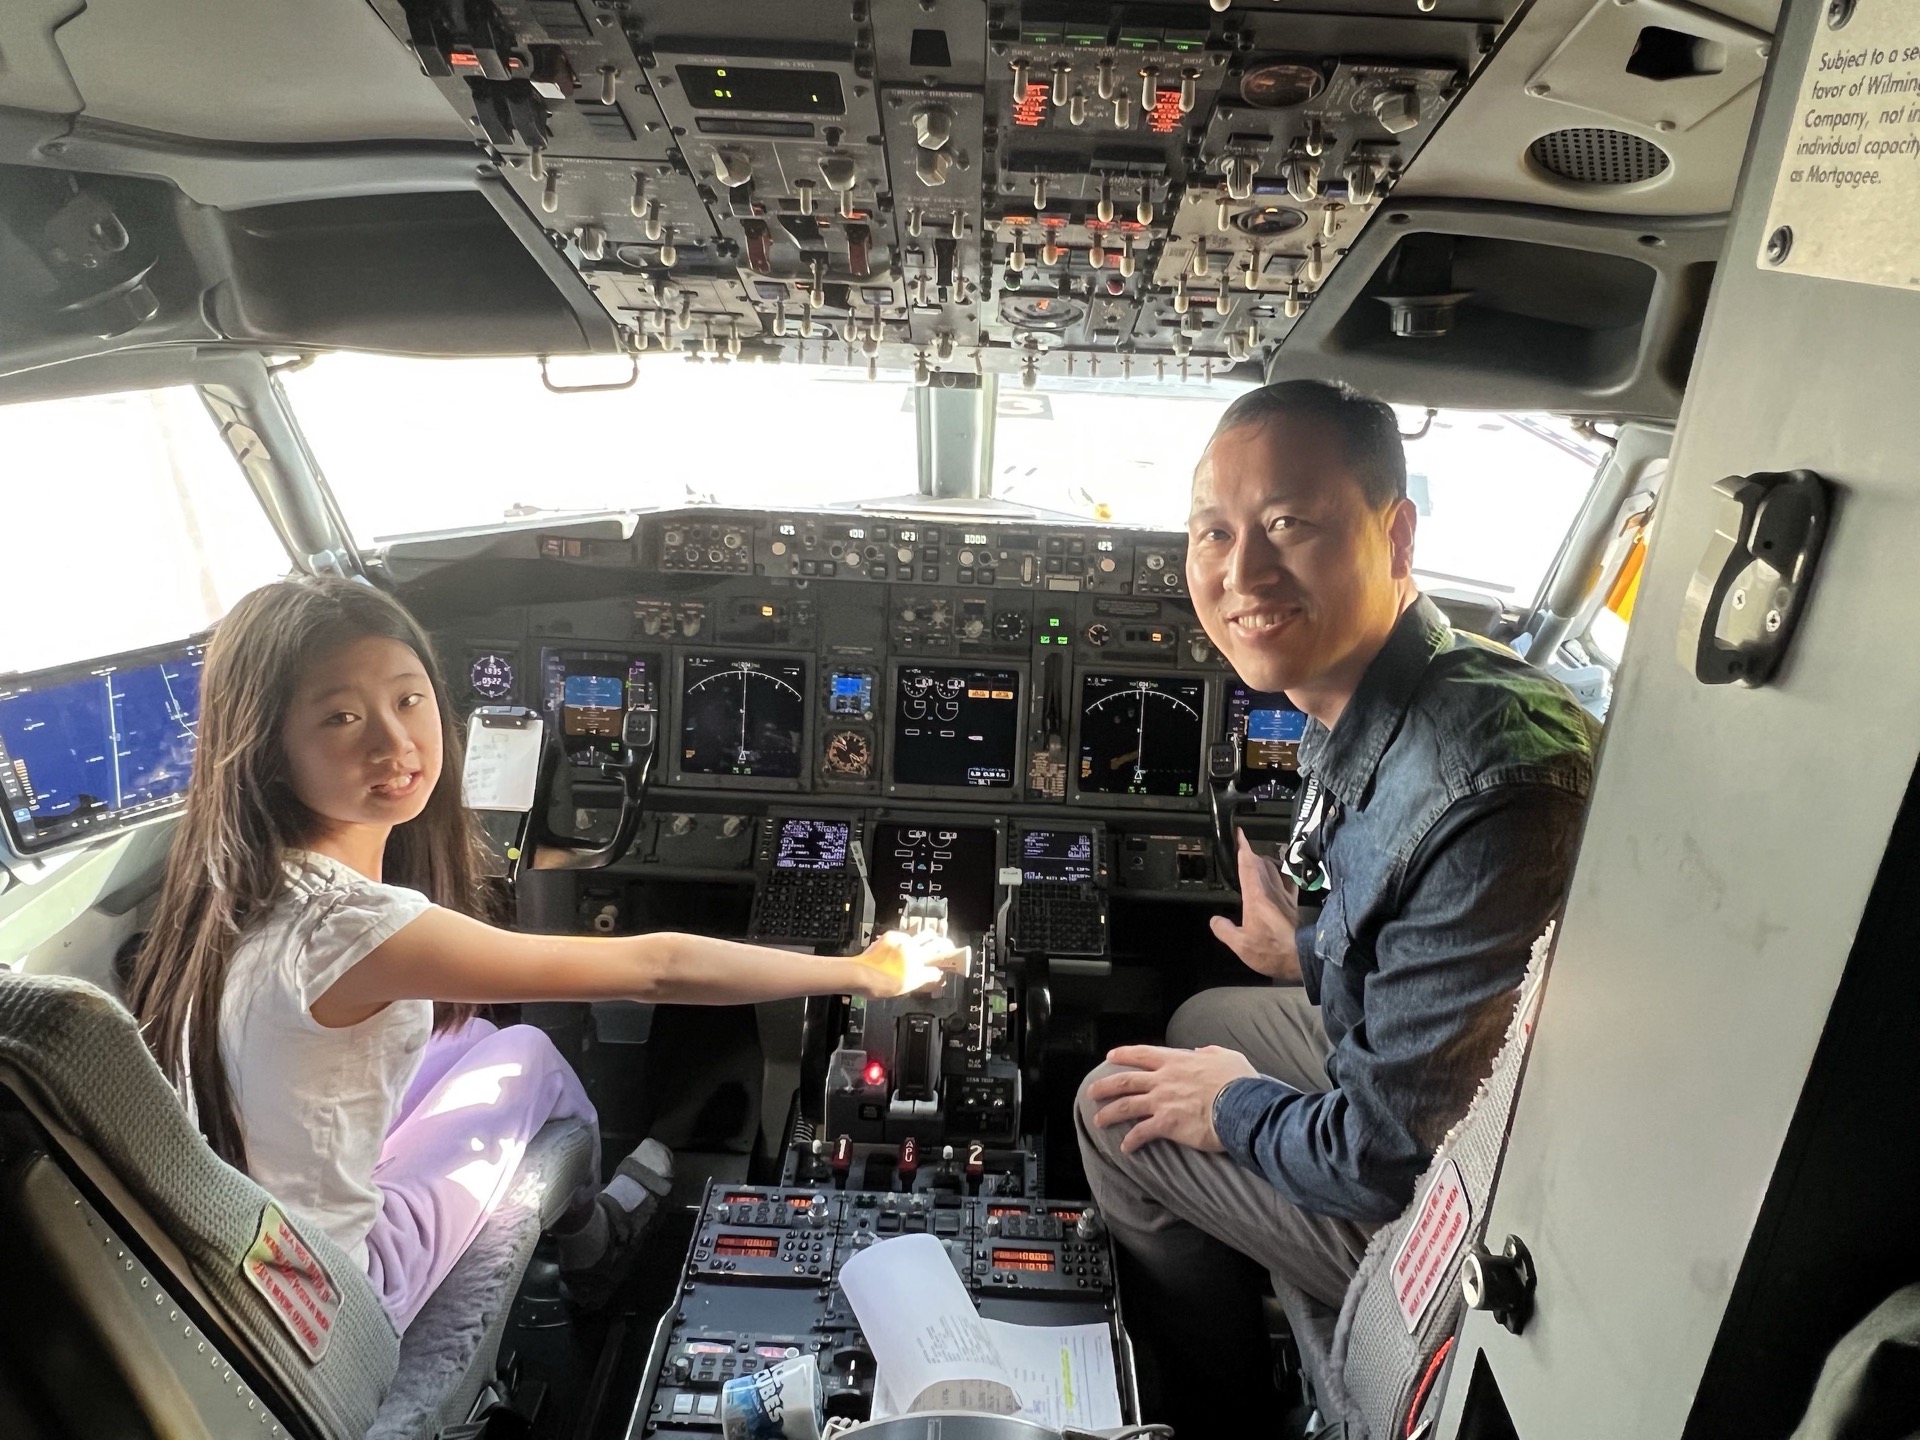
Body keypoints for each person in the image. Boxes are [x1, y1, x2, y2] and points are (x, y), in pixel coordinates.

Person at [125, 576, 960, 1333]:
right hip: (334, 1294)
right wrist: (861, 971)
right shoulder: (353, 929)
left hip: (252, 1245)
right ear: (268, 745)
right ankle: (598, 1250)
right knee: (525, 1053)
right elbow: (655, 968)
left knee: (470, 1041)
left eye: (410, 700)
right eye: (341, 717)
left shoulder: (231, 883)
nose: (395, 743)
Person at [1075, 381, 1597, 1420]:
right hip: (1462, 1106)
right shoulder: (1407, 688)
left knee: (1110, 1110)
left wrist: (1230, 1107)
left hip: (1462, 1197)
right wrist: (1300, 952)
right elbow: (1417, 964)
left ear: (1395, 535)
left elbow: (1378, 1159)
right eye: (1214, 532)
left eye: (1287, 525)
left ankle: (1224, 1407)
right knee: (1201, 1022)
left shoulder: (1487, 786)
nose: (1241, 572)